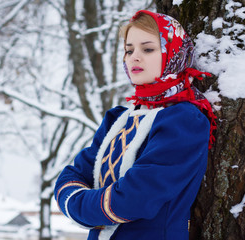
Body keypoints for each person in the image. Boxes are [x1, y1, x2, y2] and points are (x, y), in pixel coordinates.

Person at [54, 10, 217, 240]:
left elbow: (134, 199)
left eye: (148, 49)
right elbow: (73, 174)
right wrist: (87, 203)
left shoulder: (184, 121)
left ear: (173, 53)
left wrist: (77, 205)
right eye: (129, 50)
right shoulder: (119, 118)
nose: (134, 57)